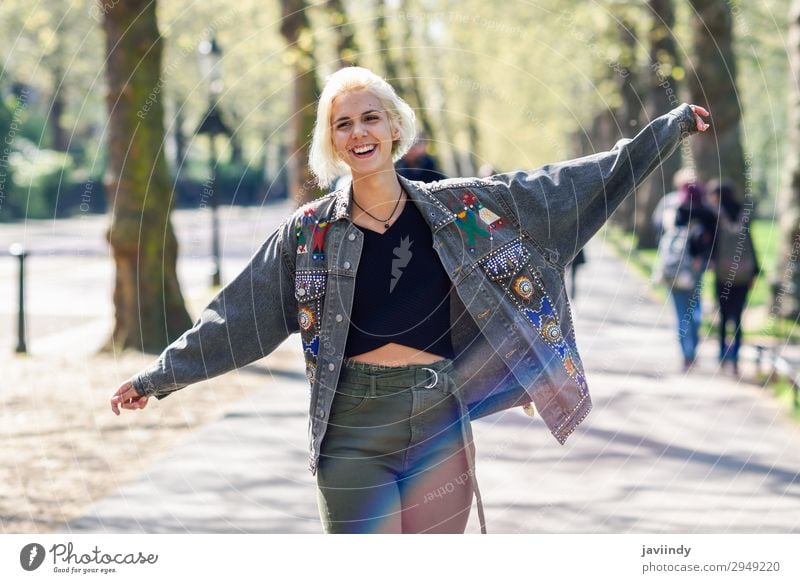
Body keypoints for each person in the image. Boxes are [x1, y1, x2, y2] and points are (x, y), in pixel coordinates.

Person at [110, 66, 709, 534]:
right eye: (342, 125)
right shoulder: (308, 235)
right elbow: (237, 317)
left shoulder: (463, 209)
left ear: (396, 127)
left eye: (370, 118)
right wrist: (161, 377)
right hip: (350, 428)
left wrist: (669, 128)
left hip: (438, 420)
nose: (358, 133)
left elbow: (572, 184)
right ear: (333, 143)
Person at [660, 181, 718, 371]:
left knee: (680, 312)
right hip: (696, 268)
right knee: (695, 310)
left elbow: (659, 233)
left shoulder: (675, 210)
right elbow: (715, 241)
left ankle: (686, 354)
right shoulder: (709, 214)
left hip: (674, 268)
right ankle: (692, 350)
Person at [709, 181, 759, 375]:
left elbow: (713, 243)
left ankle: (722, 355)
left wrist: (711, 263)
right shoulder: (743, 214)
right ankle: (735, 358)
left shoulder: (716, 214)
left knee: (722, 316)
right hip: (744, 274)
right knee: (737, 317)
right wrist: (754, 271)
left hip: (722, 273)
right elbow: (750, 242)